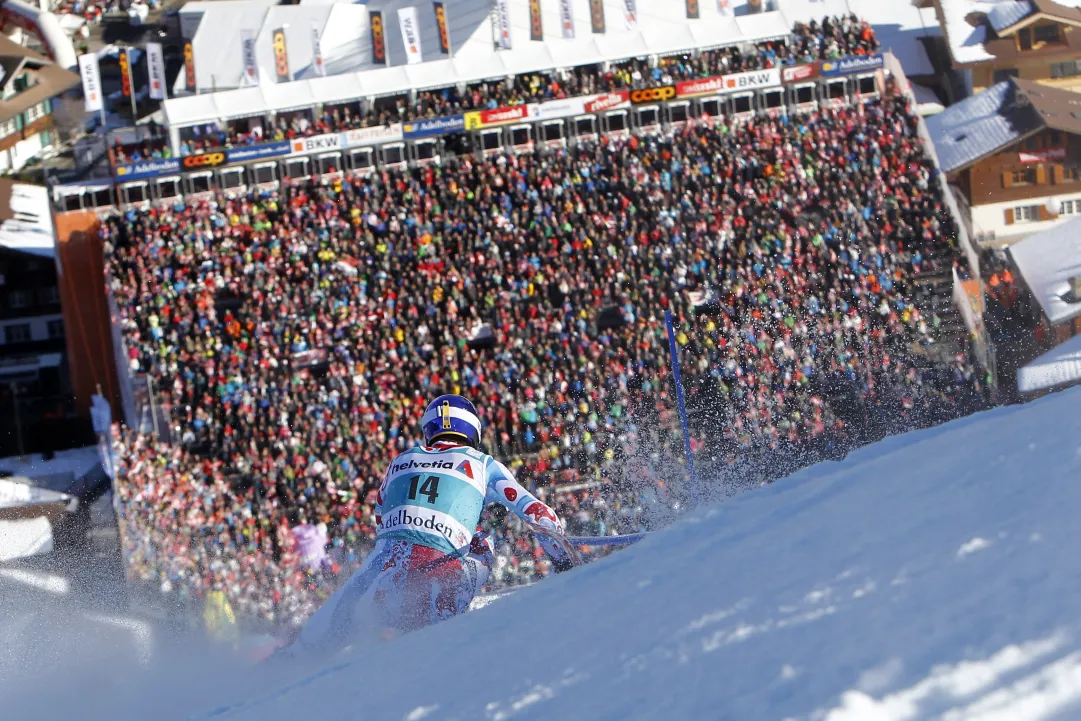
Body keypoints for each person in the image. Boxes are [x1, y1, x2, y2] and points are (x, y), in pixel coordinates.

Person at [282, 394, 573, 658]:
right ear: (472, 431)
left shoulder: (401, 460)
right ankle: (448, 612)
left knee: (311, 646)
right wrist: (565, 564)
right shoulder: (483, 463)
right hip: (436, 585)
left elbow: (381, 519)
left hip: (376, 587)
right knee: (481, 540)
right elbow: (538, 514)